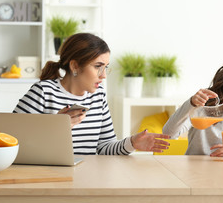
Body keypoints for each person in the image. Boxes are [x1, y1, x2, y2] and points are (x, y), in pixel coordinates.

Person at [14, 33, 170, 155]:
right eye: (98, 66)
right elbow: (10, 140)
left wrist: (132, 143)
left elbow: (104, 147)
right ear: (75, 66)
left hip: (87, 178)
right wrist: (55, 127)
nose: (103, 75)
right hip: (47, 179)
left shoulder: (98, 96)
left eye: (106, 67)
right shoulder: (44, 92)